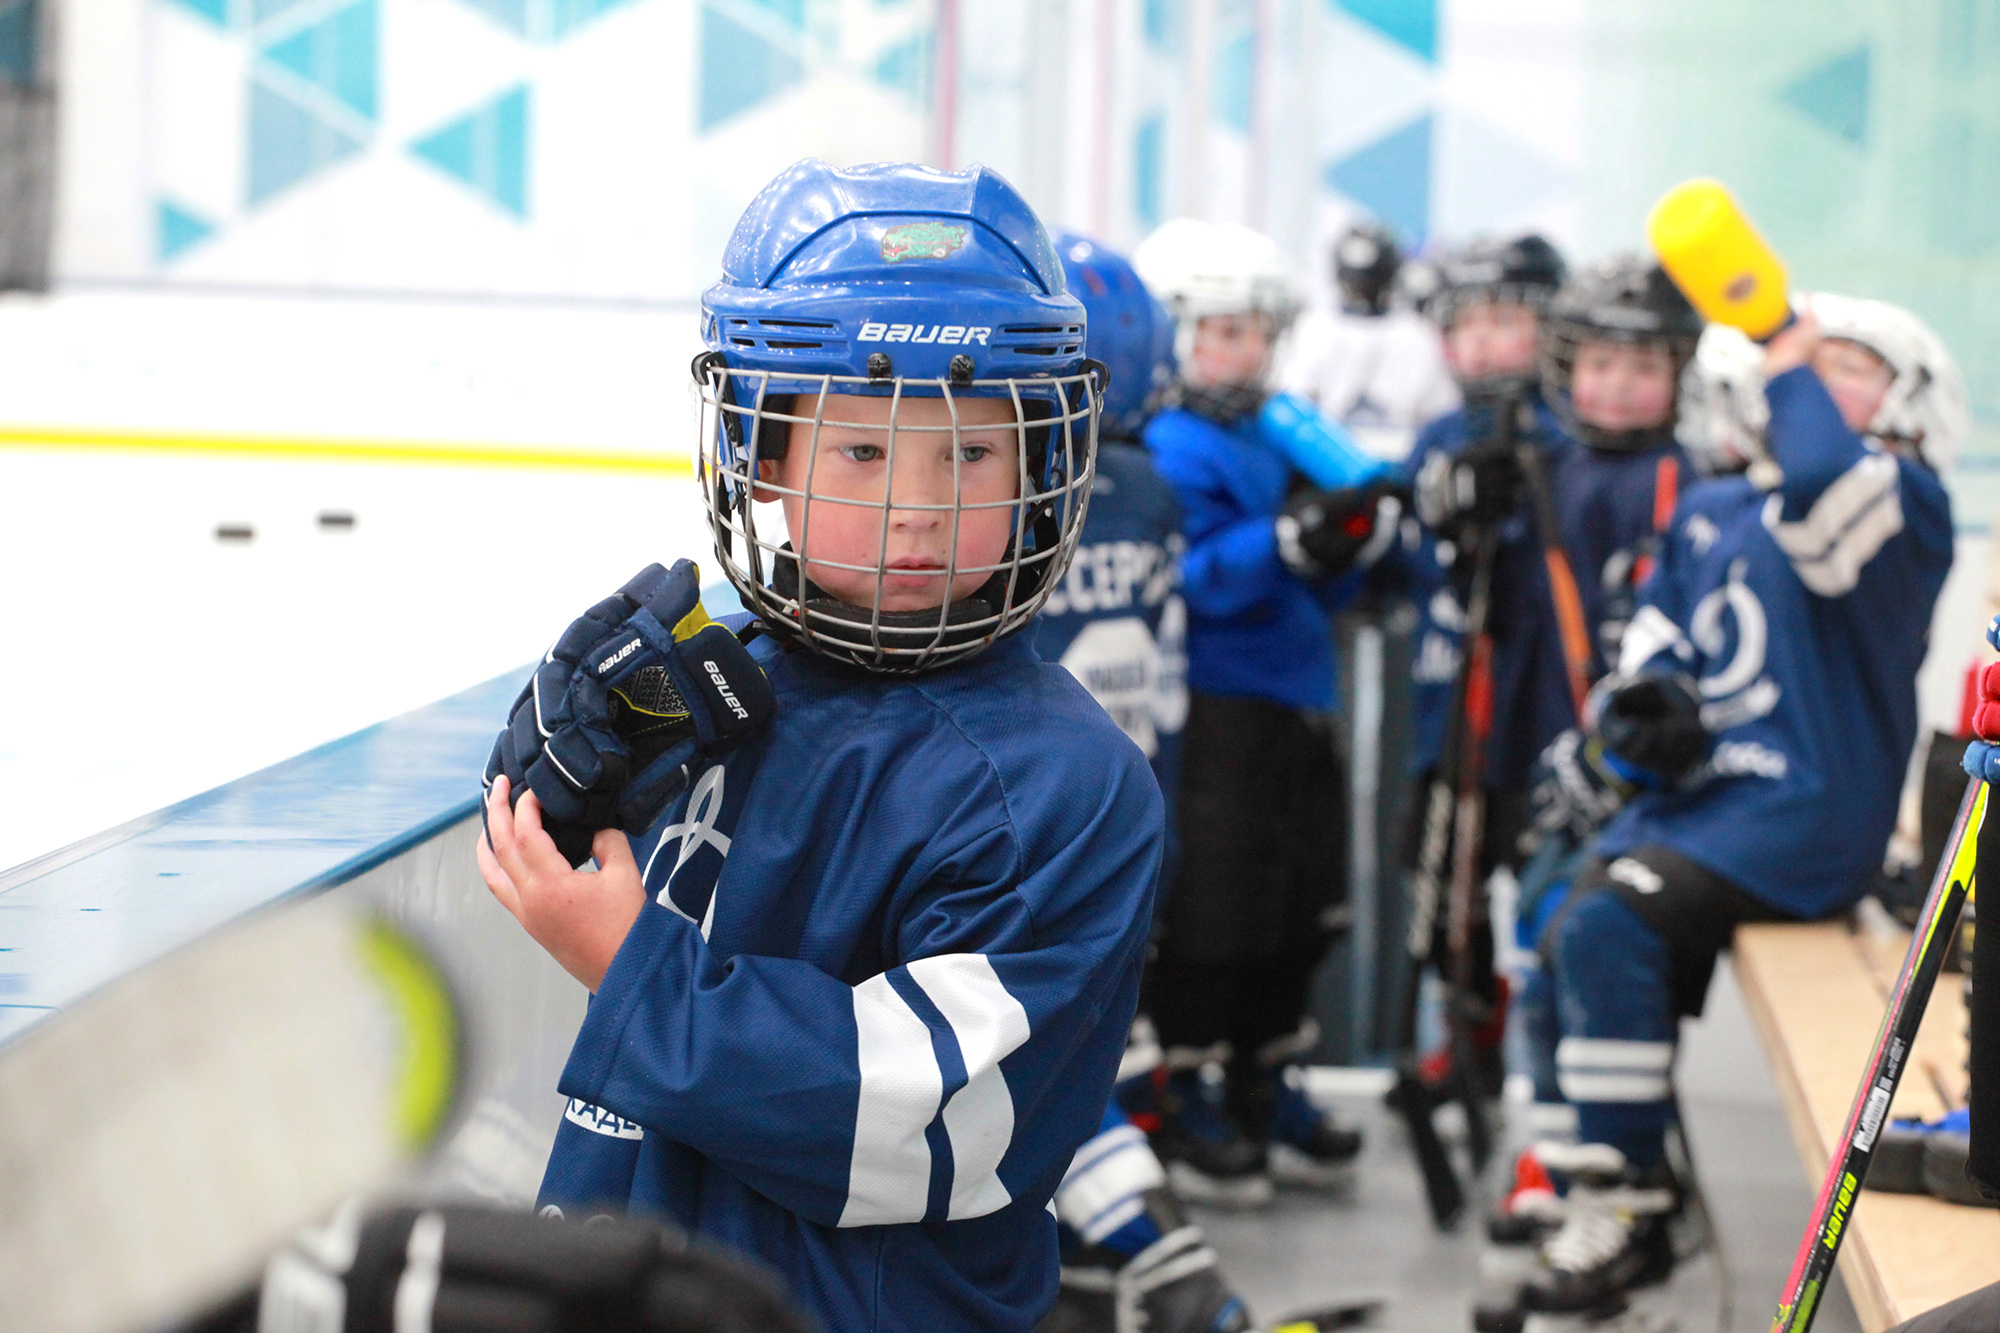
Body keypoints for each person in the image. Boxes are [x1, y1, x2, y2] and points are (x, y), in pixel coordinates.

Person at [475, 159, 1163, 1333]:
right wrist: (550, 785)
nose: (916, 508)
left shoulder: (1062, 788)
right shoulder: (715, 681)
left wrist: (631, 972)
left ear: (1044, 466)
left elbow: (919, 1124)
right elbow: (605, 882)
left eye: (970, 454)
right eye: (859, 452)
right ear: (763, 453)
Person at [1515, 292, 1963, 1312]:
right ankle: (1587, 1173)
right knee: (1546, 924)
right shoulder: (1716, 504)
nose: (1816, 371)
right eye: (1817, 358)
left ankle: (1632, 1200)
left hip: (1803, 817)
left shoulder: (1898, 496)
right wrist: (1636, 718)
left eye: (1849, 363)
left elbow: (1816, 486)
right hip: (1700, 805)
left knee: (1599, 926)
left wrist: (1785, 357)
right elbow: (1659, 631)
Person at [1129, 217, 1398, 1206]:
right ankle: (1191, 1086)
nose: (1246, 353)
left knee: (1299, 904)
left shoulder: (1272, 433)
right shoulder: (1166, 444)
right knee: (1217, 911)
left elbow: (1312, 588)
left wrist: (1347, 545)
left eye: (1257, 333)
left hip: (1298, 703)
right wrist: (1280, 542)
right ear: (1171, 334)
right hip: (1216, 711)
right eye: (1222, 332)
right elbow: (1186, 579)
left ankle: (1263, 1077)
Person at [1398, 248, 1698, 1103]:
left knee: (1601, 952)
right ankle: (1539, 1127)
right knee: (1531, 936)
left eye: (1642, 365)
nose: (1616, 384)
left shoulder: (1688, 479)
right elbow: (1474, 588)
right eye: (1600, 361)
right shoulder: (1539, 464)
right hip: (1532, 744)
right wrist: (1462, 514)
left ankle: (1610, 1137)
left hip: (1630, 763)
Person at [1034, 231, 1248, 1333]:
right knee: (1097, 1034)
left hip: (1037, 825)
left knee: (1033, 1060)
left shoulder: (1034, 485)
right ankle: (1098, 1237)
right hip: (1132, 808)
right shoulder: (1150, 487)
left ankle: (1169, 1269)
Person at [1281, 219, 1461, 461]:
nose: (1361, 289)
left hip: (1402, 463)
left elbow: (1440, 412)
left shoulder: (1416, 335)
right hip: (1326, 463)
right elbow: (1294, 406)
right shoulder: (1314, 328)